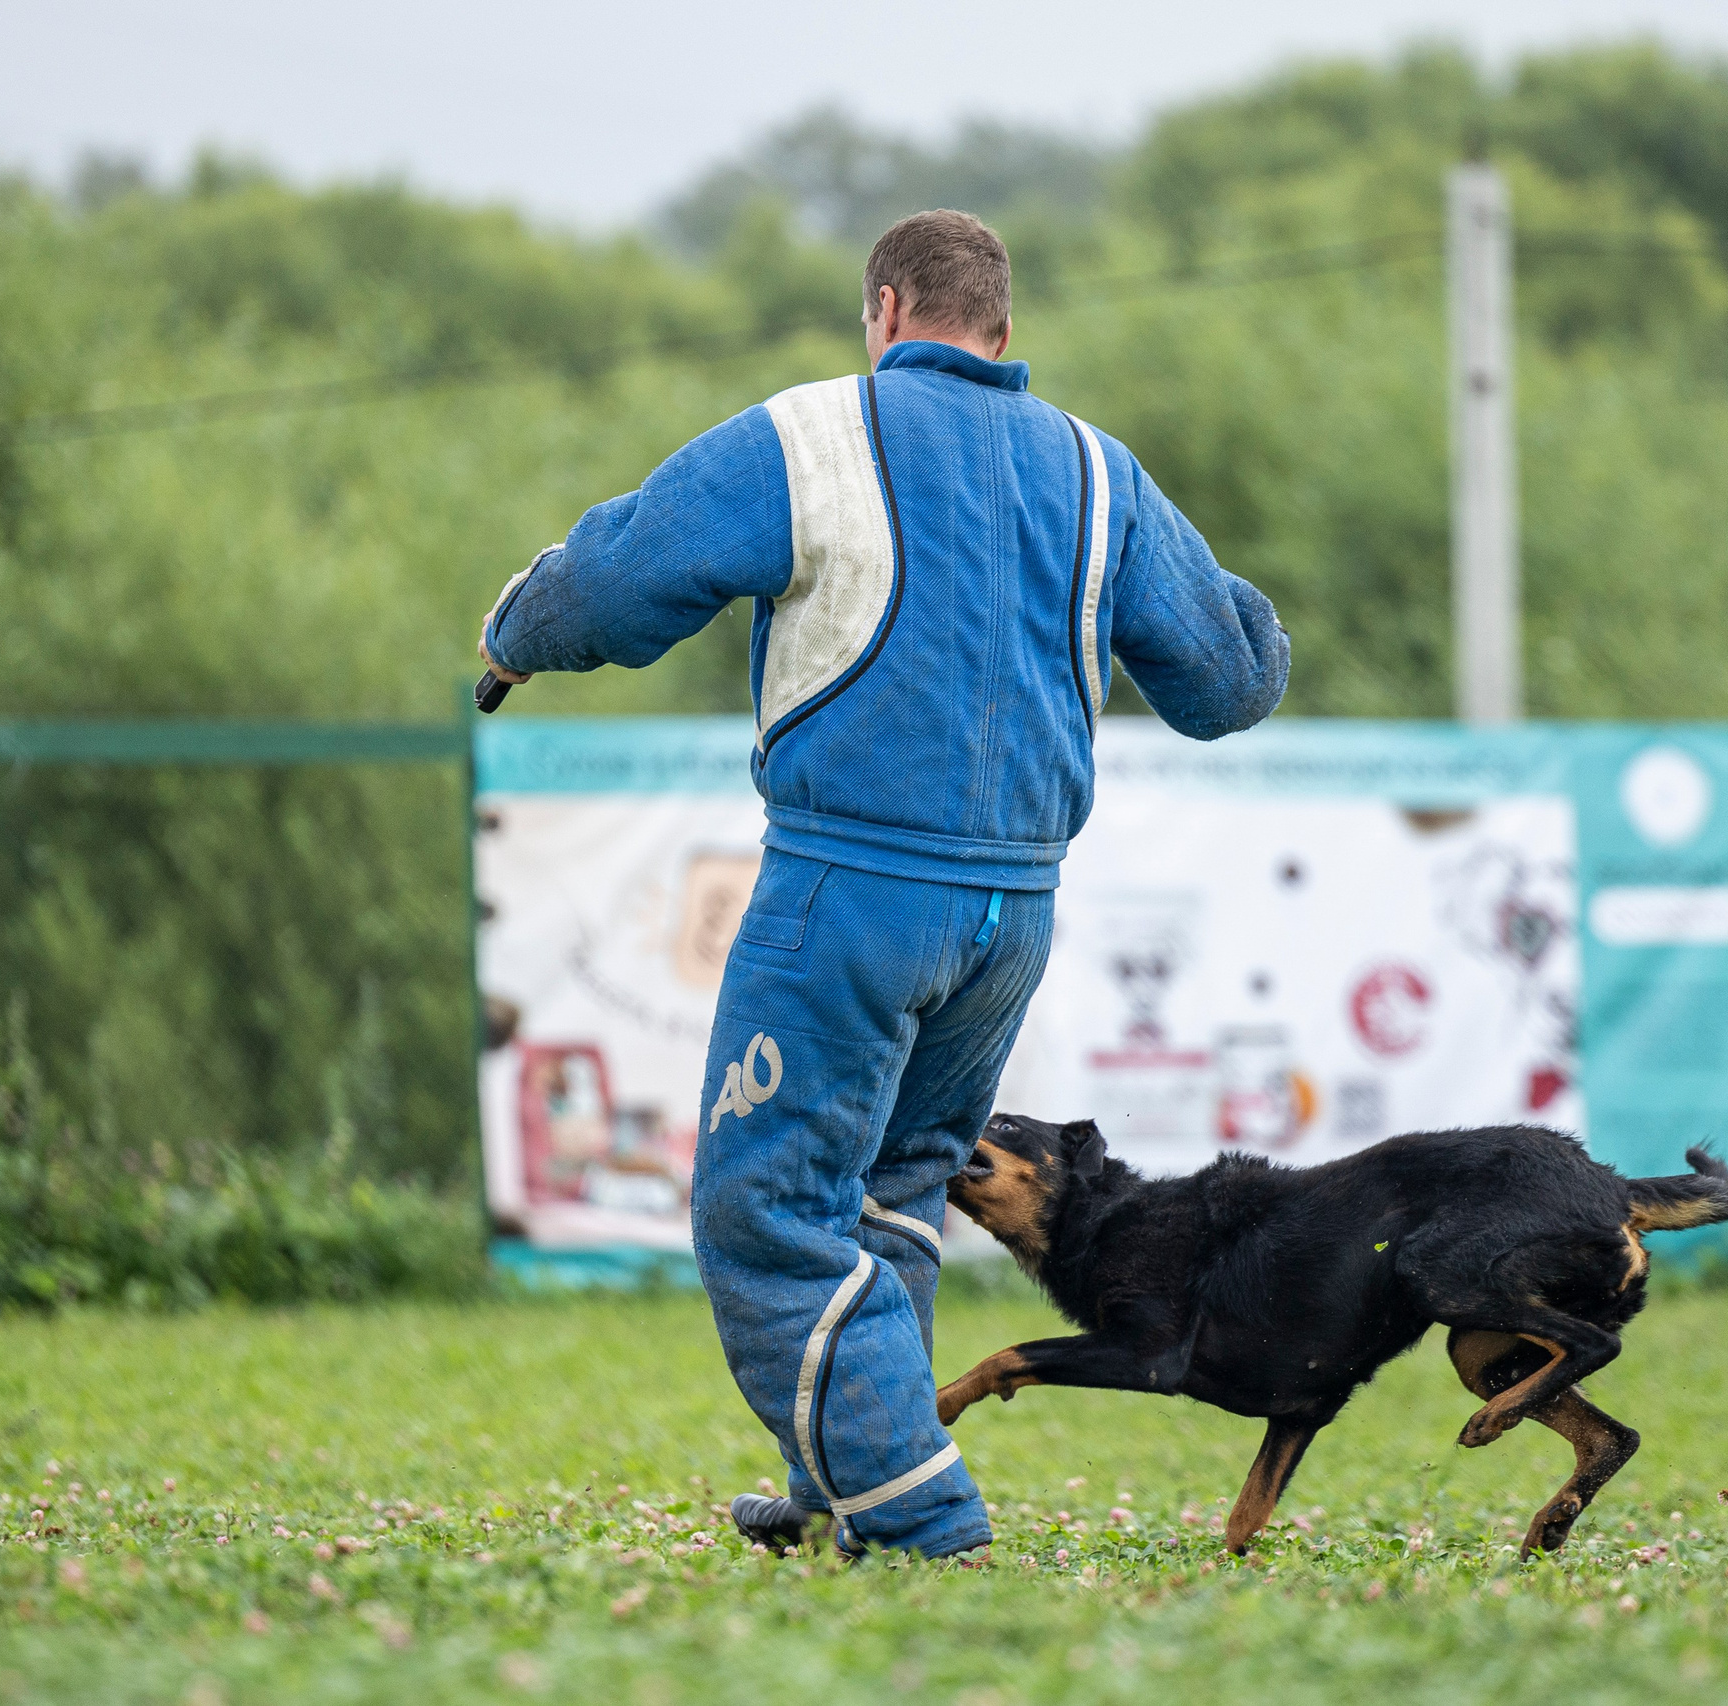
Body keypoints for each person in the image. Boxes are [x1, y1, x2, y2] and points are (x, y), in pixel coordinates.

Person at [478, 209, 1287, 1558]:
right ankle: (832, 1484)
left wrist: (515, 633)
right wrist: (1236, 608)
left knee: (767, 1211)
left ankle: (922, 1520)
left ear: (885, 312)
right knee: (891, 1199)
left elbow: (623, 578)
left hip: (850, 893)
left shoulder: (809, 437)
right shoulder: (1100, 471)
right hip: (1011, 917)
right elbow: (1227, 680)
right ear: (1004, 335)